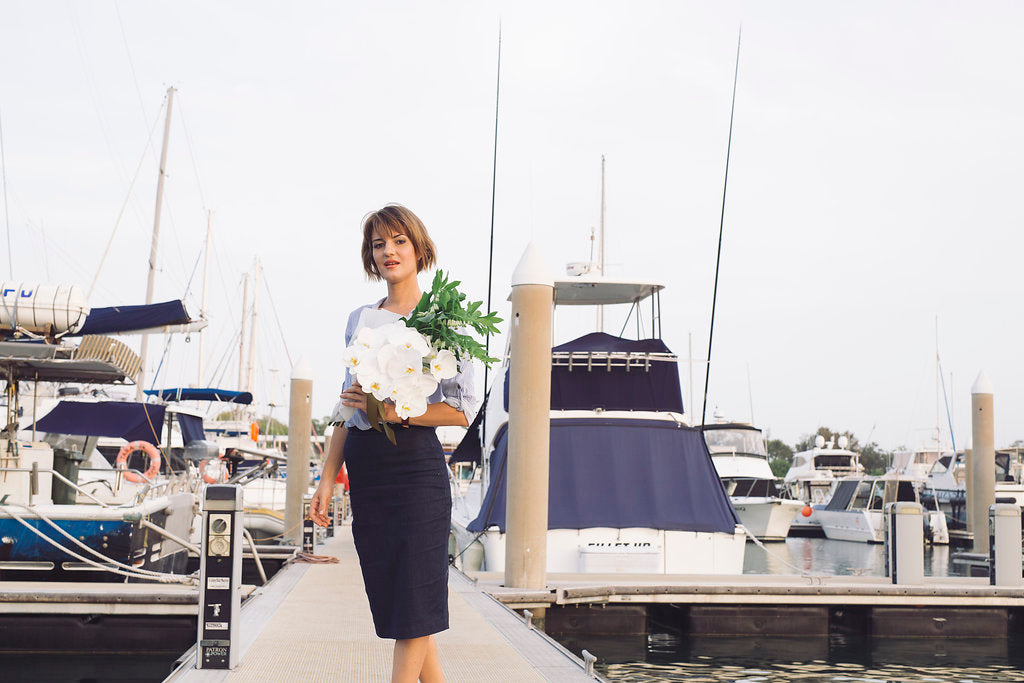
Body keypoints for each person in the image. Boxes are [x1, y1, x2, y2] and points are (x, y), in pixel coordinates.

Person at [311, 204, 479, 683]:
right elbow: (348, 407)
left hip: (416, 467)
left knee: (416, 594)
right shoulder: (360, 318)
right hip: (367, 468)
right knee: (394, 593)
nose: (389, 251)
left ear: (418, 247)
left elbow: (463, 410)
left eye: (399, 241)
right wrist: (327, 479)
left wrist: (393, 411)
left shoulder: (445, 320)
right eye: (379, 244)